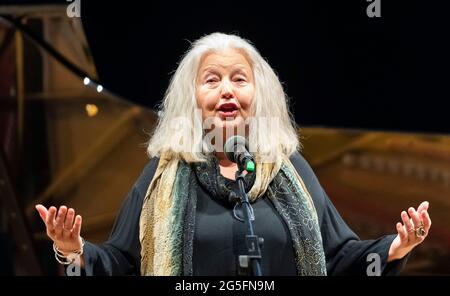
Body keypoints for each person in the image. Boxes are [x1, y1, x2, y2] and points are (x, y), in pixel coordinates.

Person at [35, 33, 431, 276]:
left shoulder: (289, 170)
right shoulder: (162, 175)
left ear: (258, 96)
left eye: (239, 79)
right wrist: (74, 250)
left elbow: (341, 256)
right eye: (212, 80)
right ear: (193, 101)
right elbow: (121, 264)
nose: (227, 90)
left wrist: (395, 248)